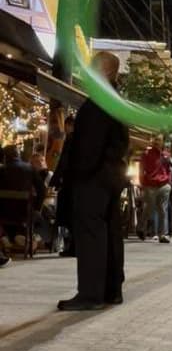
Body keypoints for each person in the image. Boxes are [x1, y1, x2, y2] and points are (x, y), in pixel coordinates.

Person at [57, 51, 129, 311]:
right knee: (109, 232)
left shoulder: (100, 101)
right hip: (109, 176)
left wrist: (78, 173)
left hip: (94, 177)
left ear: (105, 72)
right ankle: (111, 289)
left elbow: (90, 146)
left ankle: (90, 293)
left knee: (92, 234)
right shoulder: (115, 99)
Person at [138, 133, 171, 244]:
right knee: (149, 208)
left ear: (163, 141)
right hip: (150, 185)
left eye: (159, 140)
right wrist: (143, 183)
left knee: (163, 210)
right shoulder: (146, 154)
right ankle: (141, 228)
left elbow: (168, 169)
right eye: (155, 140)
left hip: (164, 185)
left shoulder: (166, 155)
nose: (157, 142)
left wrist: (168, 182)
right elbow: (141, 170)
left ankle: (163, 234)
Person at [50, 114, 76, 255]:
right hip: (78, 182)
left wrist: (56, 179)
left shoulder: (71, 139)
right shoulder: (83, 140)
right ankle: (73, 246)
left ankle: (71, 247)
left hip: (69, 182)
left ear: (69, 125)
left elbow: (64, 162)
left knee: (67, 215)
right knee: (74, 216)